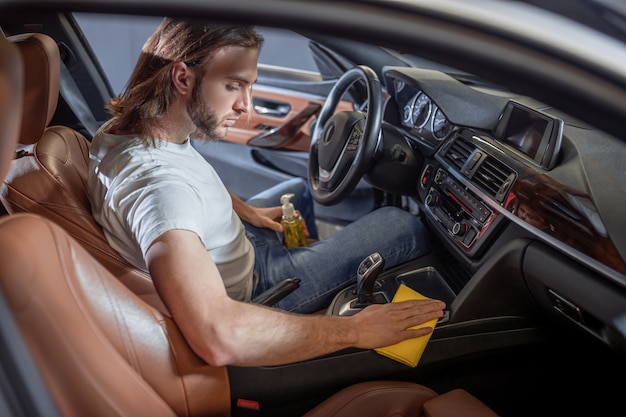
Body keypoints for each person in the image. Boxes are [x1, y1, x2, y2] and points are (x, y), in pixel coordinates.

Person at [88, 17, 445, 367]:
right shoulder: (159, 190)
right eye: (233, 86)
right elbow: (218, 336)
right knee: (401, 225)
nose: (247, 107)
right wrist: (353, 331)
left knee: (297, 192)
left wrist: (246, 212)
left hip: (234, 245)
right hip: (255, 290)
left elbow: (188, 176)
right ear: (182, 77)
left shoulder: (131, 129)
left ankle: (315, 267)